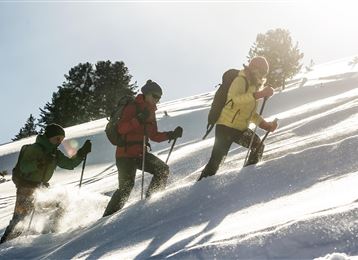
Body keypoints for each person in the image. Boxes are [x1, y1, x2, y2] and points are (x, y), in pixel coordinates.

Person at [103, 80, 183, 217]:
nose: (157, 100)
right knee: (126, 188)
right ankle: (106, 219)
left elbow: (154, 135)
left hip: (141, 154)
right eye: (155, 96)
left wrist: (171, 134)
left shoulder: (150, 112)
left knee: (162, 170)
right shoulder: (132, 107)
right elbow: (121, 129)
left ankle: (151, 202)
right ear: (146, 94)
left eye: (159, 97)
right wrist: (138, 119)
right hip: (125, 155)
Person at [0, 124, 92, 244]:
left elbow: (69, 164)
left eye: (62, 139)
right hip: (26, 187)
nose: (60, 141)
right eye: (57, 138)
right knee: (20, 218)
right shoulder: (34, 149)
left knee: (59, 205)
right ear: (49, 136)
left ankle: (50, 234)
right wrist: (40, 162)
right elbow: (24, 167)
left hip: (41, 189)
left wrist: (81, 153)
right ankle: (4, 244)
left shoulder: (55, 153)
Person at [198, 56, 278, 181]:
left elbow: (250, 114)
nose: (262, 76)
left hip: (239, 128)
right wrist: (259, 95)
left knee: (258, 147)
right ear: (254, 68)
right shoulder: (241, 80)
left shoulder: (253, 87)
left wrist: (265, 125)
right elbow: (235, 99)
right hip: (225, 126)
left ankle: (248, 177)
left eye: (264, 73)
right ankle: (200, 187)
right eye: (261, 71)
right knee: (216, 162)